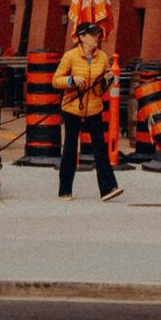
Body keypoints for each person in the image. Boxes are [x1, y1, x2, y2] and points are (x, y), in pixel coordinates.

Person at [53, 19, 123, 202]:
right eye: (92, 35)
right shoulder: (70, 56)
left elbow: (102, 88)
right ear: (81, 37)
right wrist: (71, 80)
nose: (96, 38)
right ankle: (65, 190)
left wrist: (108, 79)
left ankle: (108, 188)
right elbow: (56, 80)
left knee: (100, 148)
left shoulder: (102, 57)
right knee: (70, 148)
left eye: (97, 34)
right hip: (72, 108)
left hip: (94, 108)